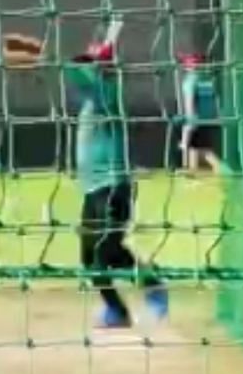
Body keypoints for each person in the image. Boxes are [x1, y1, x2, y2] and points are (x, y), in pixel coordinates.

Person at [16, 32, 167, 330]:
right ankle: (117, 311)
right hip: (92, 191)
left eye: (92, 64)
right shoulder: (91, 98)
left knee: (106, 252)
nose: (86, 68)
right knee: (89, 257)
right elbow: (73, 78)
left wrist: (47, 57)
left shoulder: (107, 93)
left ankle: (154, 287)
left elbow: (79, 76)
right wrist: (41, 71)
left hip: (113, 188)